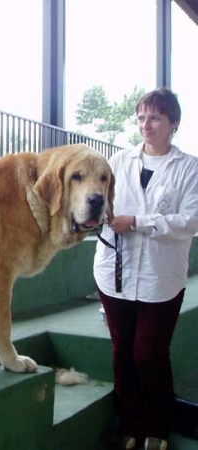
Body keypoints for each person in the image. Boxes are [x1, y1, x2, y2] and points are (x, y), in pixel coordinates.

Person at [94, 87, 198, 450]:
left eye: (154, 117)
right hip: (114, 275)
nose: (146, 124)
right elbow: (100, 203)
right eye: (140, 117)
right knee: (122, 350)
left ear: (174, 123)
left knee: (149, 352)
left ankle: (157, 427)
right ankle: (131, 426)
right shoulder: (118, 161)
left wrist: (137, 221)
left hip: (161, 278)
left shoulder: (190, 168)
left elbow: (191, 220)